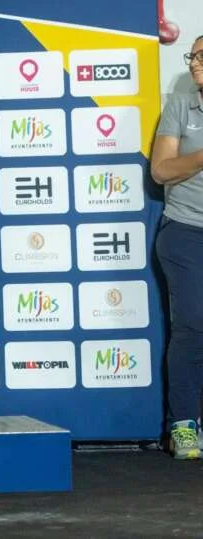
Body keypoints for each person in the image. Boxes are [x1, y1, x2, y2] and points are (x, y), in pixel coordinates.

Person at [151, 34, 203, 459]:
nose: (194, 62)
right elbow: (162, 170)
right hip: (185, 231)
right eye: (192, 55)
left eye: (202, 56)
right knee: (192, 324)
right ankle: (183, 424)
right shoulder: (181, 106)